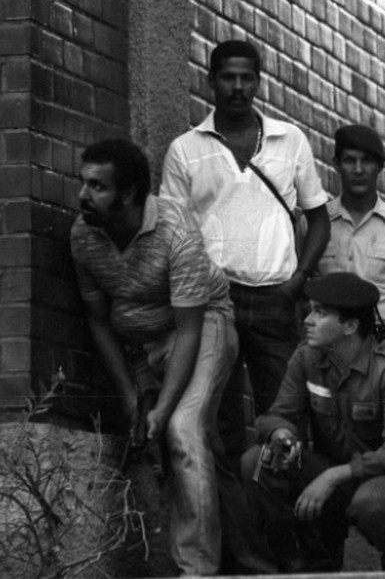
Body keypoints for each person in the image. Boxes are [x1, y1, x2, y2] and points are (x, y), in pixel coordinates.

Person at [70, 139, 273, 575]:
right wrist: (131, 394)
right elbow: (99, 322)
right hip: (141, 345)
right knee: (204, 453)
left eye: (96, 186)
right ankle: (254, 565)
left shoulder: (173, 228)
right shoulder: (82, 236)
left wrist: (162, 408)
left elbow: (189, 330)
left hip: (204, 327)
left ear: (127, 194)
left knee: (182, 427)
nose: (83, 196)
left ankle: (196, 570)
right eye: (82, 183)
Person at [160, 39, 331, 459]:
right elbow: (171, 232)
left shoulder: (289, 140)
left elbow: (320, 220)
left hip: (278, 298)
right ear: (211, 80)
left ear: (258, 82)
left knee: (285, 417)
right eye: (228, 77)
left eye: (246, 78)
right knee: (220, 422)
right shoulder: (186, 149)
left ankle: (283, 520)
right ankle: (234, 523)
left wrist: (298, 281)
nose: (237, 87)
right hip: (216, 304)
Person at [241, 272, 385, 572]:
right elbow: (278, 414)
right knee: (258, 461)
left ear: (350, 325)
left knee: (371, 503)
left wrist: (331, 477)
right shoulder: (307, 357)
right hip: (339, 471)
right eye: (311, 309)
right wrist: (282, 434)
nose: (307, 319)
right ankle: (297, 561)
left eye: (320, 312)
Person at [318, 124, 385, 365]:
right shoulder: (317, 224)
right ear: (336, 164)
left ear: (379, 167)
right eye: (349, 161)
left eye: (366, 161)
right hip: (329, 345)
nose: (358, 170)